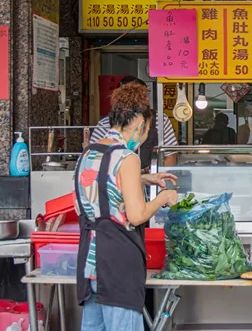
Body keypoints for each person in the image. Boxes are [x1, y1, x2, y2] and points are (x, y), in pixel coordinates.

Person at [74, 82, 178, 331]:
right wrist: (163, 199)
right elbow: (137, 214)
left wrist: (143, 179)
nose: (144, 137)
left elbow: (99, 188)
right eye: (146, 131)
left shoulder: (89, 154)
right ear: (140, 126)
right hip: (119, 260)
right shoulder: (127, 158)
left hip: (90, 259)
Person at [90, 76, 178, 170]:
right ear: (140, 127)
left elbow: (171, 155)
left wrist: (157, 176)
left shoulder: (160, 119)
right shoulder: (104, 125)